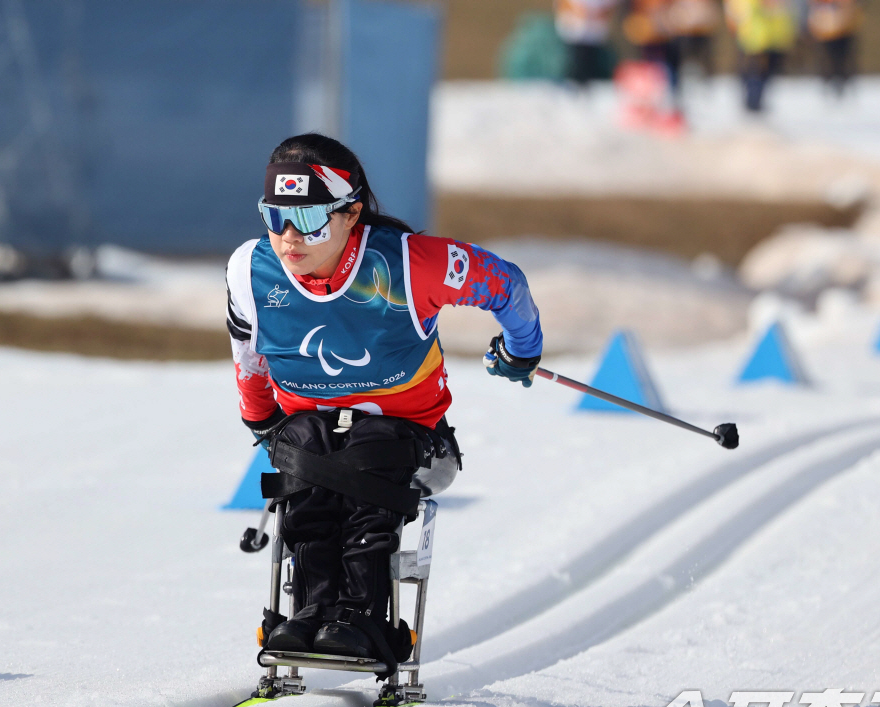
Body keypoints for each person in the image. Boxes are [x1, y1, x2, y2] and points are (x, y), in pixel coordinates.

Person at [225, 134, 543, 668]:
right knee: (305, 445)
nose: (286, 238)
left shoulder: (409, 264)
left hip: (412, 439)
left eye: (306, 221)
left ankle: (364, 619)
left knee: (365, 449)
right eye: (273, 217)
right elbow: (247, 354)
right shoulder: (249, 270)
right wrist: (259, 419)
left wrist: (521, 349)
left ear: (350, 215)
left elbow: (506, 285)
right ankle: (310, 613)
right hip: (312, 433)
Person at [725, 0, 795, 113]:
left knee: (767, 71)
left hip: (774, 38)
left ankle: (756, 101)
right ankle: (753, 102)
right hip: (754, 37)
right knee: (755, 71)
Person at [554, 0, 621, 84]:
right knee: (574, 66)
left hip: (595, 36)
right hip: (573, 34)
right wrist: (579, 12)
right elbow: (564, 5)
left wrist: (594, 13)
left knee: (594, 68)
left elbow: (609, 8)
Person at [806, 0, 860, 96]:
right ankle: (829, 80)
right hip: (826, 33)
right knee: (829, 59)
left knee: (842, 58)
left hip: (844, 32)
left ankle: (842, 81)